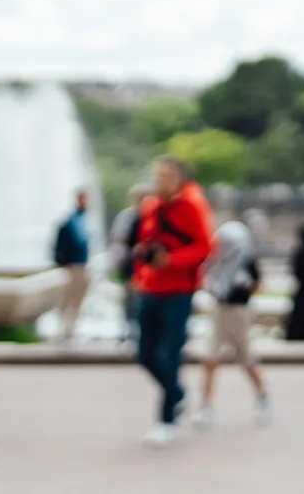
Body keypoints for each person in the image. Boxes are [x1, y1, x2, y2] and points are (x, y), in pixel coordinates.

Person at [132, 156, 216, 446]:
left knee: (169, 354)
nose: (161, 180)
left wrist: (173, 260)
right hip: (150, 288)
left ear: (180, 178)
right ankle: (177, 392)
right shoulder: (152, 207)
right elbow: (144, 243)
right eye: (158, 175)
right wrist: (141, 270)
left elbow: (206, 246)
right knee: (144, 354)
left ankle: (166, 419)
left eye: (167, 175)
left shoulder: (192, 205)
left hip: (179, 291)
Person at [195, 220, 272, 428]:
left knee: (246, 358)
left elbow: (256, 283)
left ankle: (263, 395)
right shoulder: (217, 261)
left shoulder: (246, 260)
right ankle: (206, 406)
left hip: (238, 312)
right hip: (221, 308)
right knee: (210, 358)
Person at [109, 183, 149, 345]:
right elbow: (119, 241)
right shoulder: (127, 217)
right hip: (130, 265)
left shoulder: (151, 216)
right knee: (129, 300)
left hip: (146, 266)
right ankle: (128, 330)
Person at [53, 189, 93, 341]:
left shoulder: (82, 219)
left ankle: (72, 329)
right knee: (70, 299)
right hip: (74, 265)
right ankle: (65, 330)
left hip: (81, 264)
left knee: (77, 300)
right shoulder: (72, 220)